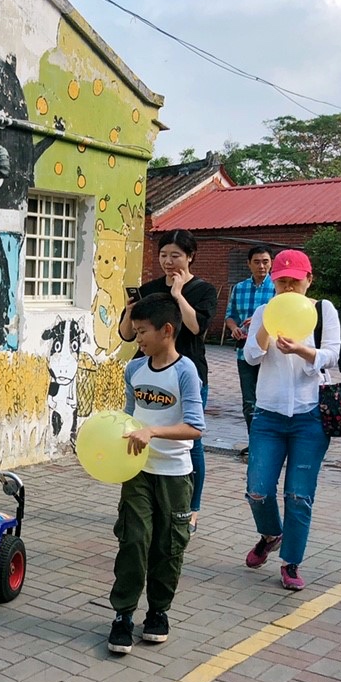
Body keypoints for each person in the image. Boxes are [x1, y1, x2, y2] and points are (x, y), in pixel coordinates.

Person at [107, 294, 205, 654]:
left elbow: (195, 427)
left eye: (143, 331)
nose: (138, 339)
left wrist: (153, 432)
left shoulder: (185, 371)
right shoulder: (134, 368)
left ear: (167, 330)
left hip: (175, 474)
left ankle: (159, 612)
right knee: (134, 540)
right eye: (135, 331)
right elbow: (129, 416)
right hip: (138, 471)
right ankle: (123, 615)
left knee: (168, 546)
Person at [241, 249, 341, 592]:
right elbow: (251, 357)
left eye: (294, 282)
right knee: (257, 490)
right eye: (281, 282)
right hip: (268, 415)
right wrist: (267, 327)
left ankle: (291, 562)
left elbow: (332, 353)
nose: (287, 288)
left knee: (299, 495)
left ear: (308, 280)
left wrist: (302, 350)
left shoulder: (323, 310)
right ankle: (271, 534)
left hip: (310, 416)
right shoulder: (263, 312)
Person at [119, 229, 216, 532]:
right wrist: (131, 311)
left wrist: (177, 295)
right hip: (149, 370)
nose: (168, 261)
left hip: (187, 373)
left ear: (190, 256)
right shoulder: (149, 288)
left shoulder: (203, 290)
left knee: (189, 442)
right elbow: (126, 334)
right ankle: (144, 494)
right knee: (140, 428)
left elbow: (196, 327)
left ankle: (190, 506)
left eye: (175, 255)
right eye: (163, 255)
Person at [224, 246, 275, 435]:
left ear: (271, 263)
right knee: (249, 400)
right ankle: (254, 441)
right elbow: (230, 316)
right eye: (257, 262)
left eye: (265, 261)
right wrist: (234, 328)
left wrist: (259, 319)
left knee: (269, 398)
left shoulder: (278, 287)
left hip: (270, 352)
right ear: (248, 264)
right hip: (244, 351)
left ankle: (269, 440)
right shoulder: (239, 288)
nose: (261, 266)